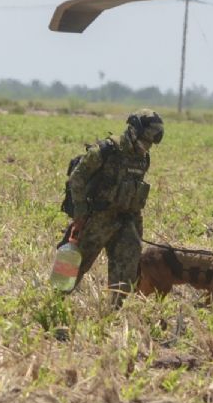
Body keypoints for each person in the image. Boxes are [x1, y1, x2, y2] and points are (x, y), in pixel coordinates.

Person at [66, 109, 164, 306]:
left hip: (127, 220)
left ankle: (114, 314)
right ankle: (54, 302)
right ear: (134, 131)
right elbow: (76, 178)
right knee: (73, 265)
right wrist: (80, 212)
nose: (147, 147)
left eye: (151, 143)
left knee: (127, 269)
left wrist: (137, 228)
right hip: (97, 219)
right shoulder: (105, 151)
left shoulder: (143, 158)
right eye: (145, 141)